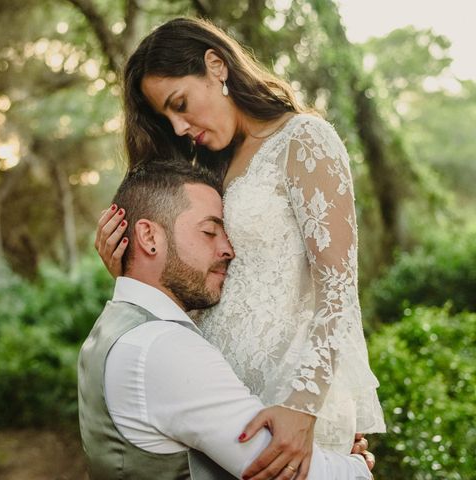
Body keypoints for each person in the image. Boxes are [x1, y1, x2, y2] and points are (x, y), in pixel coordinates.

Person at [95, 17, 385, 480]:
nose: (178, 125)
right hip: (222, 394)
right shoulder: (211, 166)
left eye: (180, 104)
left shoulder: (303, 140)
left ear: (217, 66)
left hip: (290, 396)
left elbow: (339, 288)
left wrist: (305, 407)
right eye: (166, 117)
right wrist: (132, 270)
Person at [79, 160, 375, 480]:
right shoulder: (165, 348)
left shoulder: (117, 329)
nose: (228, 249)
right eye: (209, 231)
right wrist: (355, 465)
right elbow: (282, 470)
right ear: (149, 236)